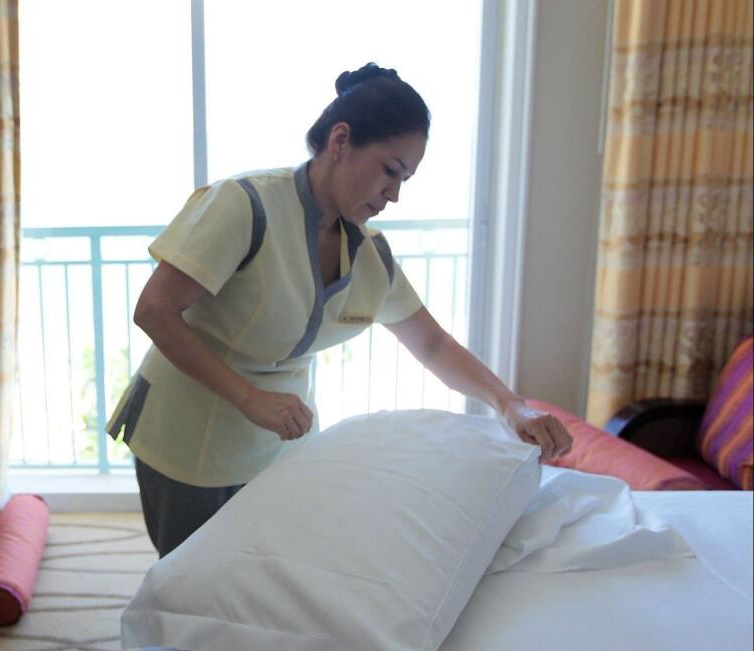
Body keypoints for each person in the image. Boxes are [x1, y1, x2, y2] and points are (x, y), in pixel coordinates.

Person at [107, 63, 573, 558]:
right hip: (189, 435)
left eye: (406, 180)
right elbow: (155, 311)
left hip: (278, 442)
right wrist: (248, 398)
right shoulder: (244, 205)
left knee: (263, 583)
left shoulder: (370, 254)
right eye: (390, 171)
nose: (393, 194)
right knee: (191, 589)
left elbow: (432, 343)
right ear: (341, 140)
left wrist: (509, 404)